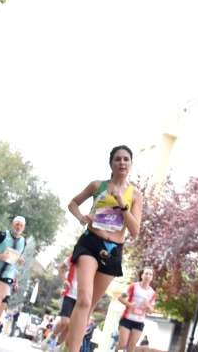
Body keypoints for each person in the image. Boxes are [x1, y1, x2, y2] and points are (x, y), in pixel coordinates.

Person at [65, 146, 143, 352]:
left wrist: (121, 202)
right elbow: (73, 203)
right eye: (118, 159)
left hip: (113, 250)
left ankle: (67, 345)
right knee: (83, 299)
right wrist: (81, 218)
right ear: (111, 163)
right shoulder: (97, 185)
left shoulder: (134, 194)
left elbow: (135, 230)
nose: (122, 163)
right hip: (90, 243)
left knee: (89, 307)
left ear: (131, 164)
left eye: (126, 159)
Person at [115, 267, 156, 352]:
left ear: (152, 278)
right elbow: (120, 298)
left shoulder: (152, 293)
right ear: (142, 275)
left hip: (139, 322)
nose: (148, 276)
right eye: (146, 273)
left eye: (150, 274)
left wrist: (148, 306)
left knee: (132, 346)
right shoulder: (134, 286)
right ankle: (116, 348)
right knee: (123, 344)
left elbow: (151, 310)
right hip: (127, 319)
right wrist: (130, 304)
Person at [50, 255, 78, 349]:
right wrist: (64, 280)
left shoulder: (96, 258)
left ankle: (57, 347)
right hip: (69, 294)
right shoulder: (76, 254)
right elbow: (61, 267)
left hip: (81, 298)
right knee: (65, 322)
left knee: (69, 326)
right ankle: (52, 337)